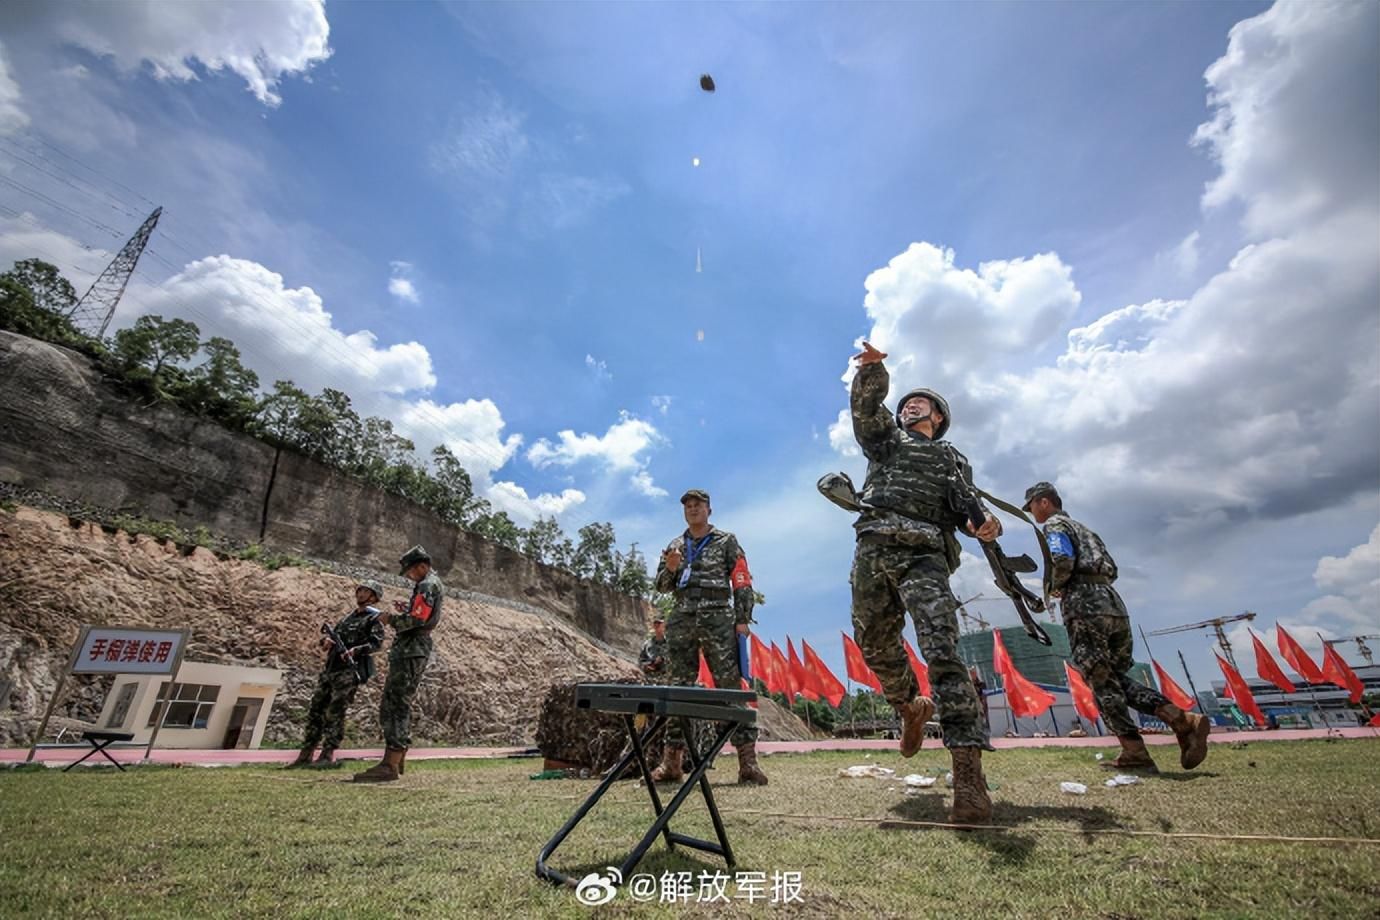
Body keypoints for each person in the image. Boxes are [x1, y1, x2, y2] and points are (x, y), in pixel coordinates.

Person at [847, 340, 1001, 824]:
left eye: (922, 402)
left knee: (943, 653)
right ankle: (910, 705)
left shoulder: (951, 459)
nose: (911, 404)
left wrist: (985, 524)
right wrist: (872, 373)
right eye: (907, 402)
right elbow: (867, 412)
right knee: (873, 643)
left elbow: (967, 509)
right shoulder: (888, 441)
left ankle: (969, 778)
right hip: (874, 547)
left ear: (938, 417)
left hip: (924, 556)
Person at [1023, 481, 1210, 772]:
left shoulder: (1055, 526)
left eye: (1033, 505)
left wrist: (1055, 587)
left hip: (1084, 603)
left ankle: (1136, 749)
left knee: (1101, 680)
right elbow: (1114, 568)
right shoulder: (1086, 529)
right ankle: (1179, 719)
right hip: (1111, 601)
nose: (1032, 512)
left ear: (1044, 502)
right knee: (1114, 677)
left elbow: (1061, 559)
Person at [651, 489, 767, 785]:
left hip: (718, 617)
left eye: (698, 505)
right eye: (688, 506)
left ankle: (747, 762)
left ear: (709, 510)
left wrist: (742, 619)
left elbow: (741, 579)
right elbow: (661, 586)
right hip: (683, 618)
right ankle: (672, 764)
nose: (692, 509)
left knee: (730, 687)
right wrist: (671, 568)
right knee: (678, 688)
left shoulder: (726, 541)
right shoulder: (675, 546)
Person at [353, 545, 444, 783]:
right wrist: (408, 611)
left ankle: (390, 763)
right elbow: (420, 614)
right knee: (397, 702)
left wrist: (390, 619)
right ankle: (395, 757)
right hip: (413, 647)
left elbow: (418, 619)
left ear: (422, 566)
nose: (409, 576)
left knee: (395, 703)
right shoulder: (429, 584)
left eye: (410, 571)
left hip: (411, 648)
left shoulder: (426, 585)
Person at [287, 579, 386, 768]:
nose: (360, 594)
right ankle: (306, 753)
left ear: (374, 597)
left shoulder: (374, 619)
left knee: (335, 712)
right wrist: (326, 641)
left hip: (348, 671)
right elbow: (331, 638)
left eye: (365, 591)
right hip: (330, 670)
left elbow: (376, 644)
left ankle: (327, 754)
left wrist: (356, 650)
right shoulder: (346, 619)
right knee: (316, 711)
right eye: (360, 590)